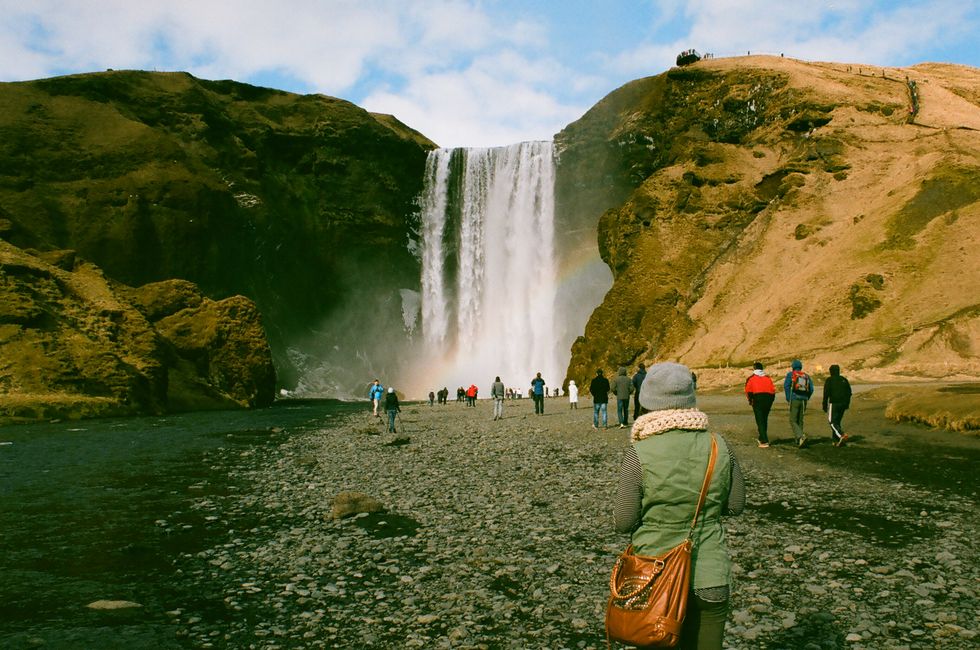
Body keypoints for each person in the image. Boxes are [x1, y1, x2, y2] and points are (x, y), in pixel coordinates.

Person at [614, 362, 745, 650]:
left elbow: (623, 521)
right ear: (690, 397)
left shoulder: (638, 453)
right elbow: (735, 506)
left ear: (646, 400)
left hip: (654, 574)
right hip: (710, 575)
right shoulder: (719, 446)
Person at [744, 362, 776, 448]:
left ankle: (764, 441)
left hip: (758, 398)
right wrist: (771, 400)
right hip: (768, 398)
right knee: (764, 418)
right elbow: (773, 390)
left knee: (760, 419)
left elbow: (748, 391)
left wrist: (750, 401)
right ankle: (762, 437)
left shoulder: (751, 378)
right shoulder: (767, 378)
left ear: (754, 368)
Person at [783, 359, 814, 447]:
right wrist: (807, 397)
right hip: (804, 400)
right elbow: (811, 389)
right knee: (800, 420)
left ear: (793, 367)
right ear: (800, 367)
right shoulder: (806, 376)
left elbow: (786, 386)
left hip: (794, 399)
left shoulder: (790, 375)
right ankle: (799, 440)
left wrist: (789, 399)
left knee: (792, 420)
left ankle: (800, 436)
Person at [822, 364, 853, 446]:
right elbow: (849, 393)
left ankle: (841, 435)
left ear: (831, 372)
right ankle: (835, 440)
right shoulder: (844, 379)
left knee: (832, 422)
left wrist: (824, 405)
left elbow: (826, 394)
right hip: (843, 403)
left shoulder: (829, 380)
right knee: (837, 422)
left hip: (834, 403)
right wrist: (847, 403)